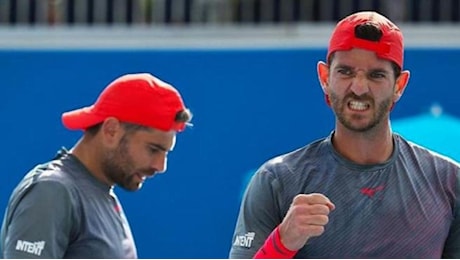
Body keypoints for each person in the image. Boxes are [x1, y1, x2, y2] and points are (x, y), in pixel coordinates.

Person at [229, 11, 460, 259]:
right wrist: (282, 243)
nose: (359, 88)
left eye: (376, 75)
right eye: (346, 72)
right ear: (325, 78)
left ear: (399, 86)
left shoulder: (449, 182)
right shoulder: (277, 181)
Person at [0, 73, 193, 258]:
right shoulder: (52, 191)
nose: (161, 166)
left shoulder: (104, 197)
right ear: (110, 131)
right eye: (153, 149)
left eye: (166, 153)